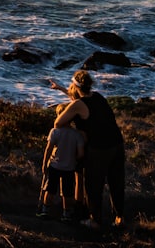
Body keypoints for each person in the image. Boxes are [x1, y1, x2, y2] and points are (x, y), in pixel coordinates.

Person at [54, 70, 125, 230]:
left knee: (93, 185)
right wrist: (60, 89)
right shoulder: (98, 97)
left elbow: (58, 123)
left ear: (75, 85)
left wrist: (77, 132)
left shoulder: (78, 105)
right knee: (116, 183)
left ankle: (95, 220)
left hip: (100, 148)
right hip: (117, 143)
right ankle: (120, 218)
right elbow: (79, 102)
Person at [38, 103, 85, 221]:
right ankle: (66, 214)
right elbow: (81, 154)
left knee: (50, 189)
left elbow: (48, 149)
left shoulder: (55, 132)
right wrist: (74, 158)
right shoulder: (76, 134)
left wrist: (44, 163)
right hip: (69, 167)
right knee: (67, 193)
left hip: (55, 165)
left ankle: (45, 210)